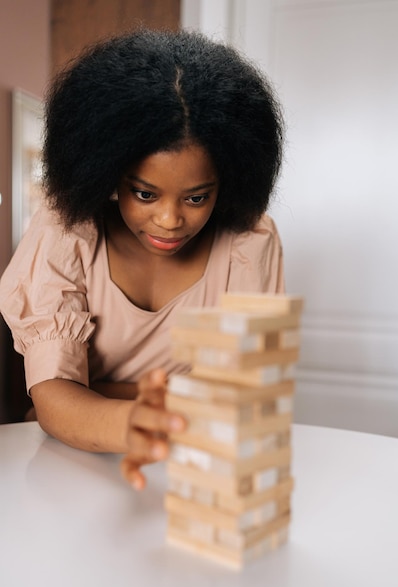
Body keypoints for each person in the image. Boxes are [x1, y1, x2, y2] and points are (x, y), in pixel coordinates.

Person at [0, 28, 285, 490]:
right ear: (108, 172)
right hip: (69, 468)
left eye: (196, 198)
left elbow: (243, 398)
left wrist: (93, 395)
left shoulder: (249, 242)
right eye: (145, 193)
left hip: (194, 468)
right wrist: (137, 418)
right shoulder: (65, 230)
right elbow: (53, 402)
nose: (170, 220)